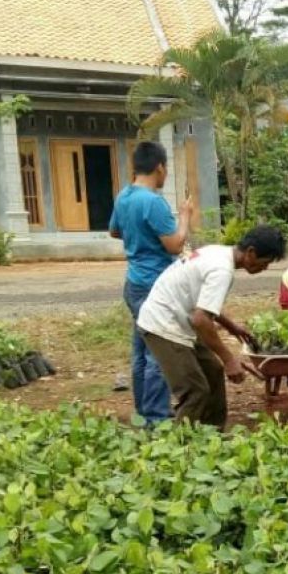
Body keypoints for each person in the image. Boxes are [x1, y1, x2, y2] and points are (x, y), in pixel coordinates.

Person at [137, 225, 287, 429]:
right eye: (265, 262)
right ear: (251, 252)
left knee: (213, 372)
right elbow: (201, 320)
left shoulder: (218, 252)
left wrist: (231, 326)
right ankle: (180, 449)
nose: (265, 268)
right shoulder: (222, 270)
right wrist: (229, 359)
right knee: (195, 391)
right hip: (163, 325)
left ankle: (214, 435)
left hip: (180, 319)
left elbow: (203, 304)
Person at [108, 140, 192, 427]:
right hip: (155, 284)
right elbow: (174, 245)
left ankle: (144, 410)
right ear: (159, 167)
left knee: (141, 349)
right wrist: (184, 218)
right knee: (158, 350)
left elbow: (114, 231)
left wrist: (138, 239)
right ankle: (156, 416)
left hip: (133, 282)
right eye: (165, 169)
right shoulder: (153, 201)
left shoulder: (124, 196)